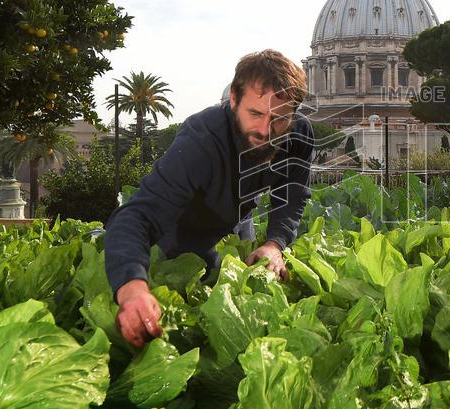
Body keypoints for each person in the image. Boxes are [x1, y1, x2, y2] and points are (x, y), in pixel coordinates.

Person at [104, 50, 314, 347]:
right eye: (255, 114)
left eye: (279, 118)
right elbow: (136, 216)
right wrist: (132, 288)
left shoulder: (299, 134)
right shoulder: (200, 142)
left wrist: (274, 243)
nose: (266, 130)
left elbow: (292, 194)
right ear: (233, 99)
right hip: (180, 237)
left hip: (238, 221)